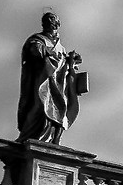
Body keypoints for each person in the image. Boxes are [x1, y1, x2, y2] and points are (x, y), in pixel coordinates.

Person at [16, 12, 86, 144]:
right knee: (40, 108)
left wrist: (71, 61)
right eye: (47, 20)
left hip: (58, 86)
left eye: (52, 19)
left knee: (59, 112)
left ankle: (53, 140)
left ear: (58, 24)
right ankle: (32, 137)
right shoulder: (37, 39)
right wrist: (47, 52)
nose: (50, 22)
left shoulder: (62, 48)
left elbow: (63, 66)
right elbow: (35, 51)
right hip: (43, 81)